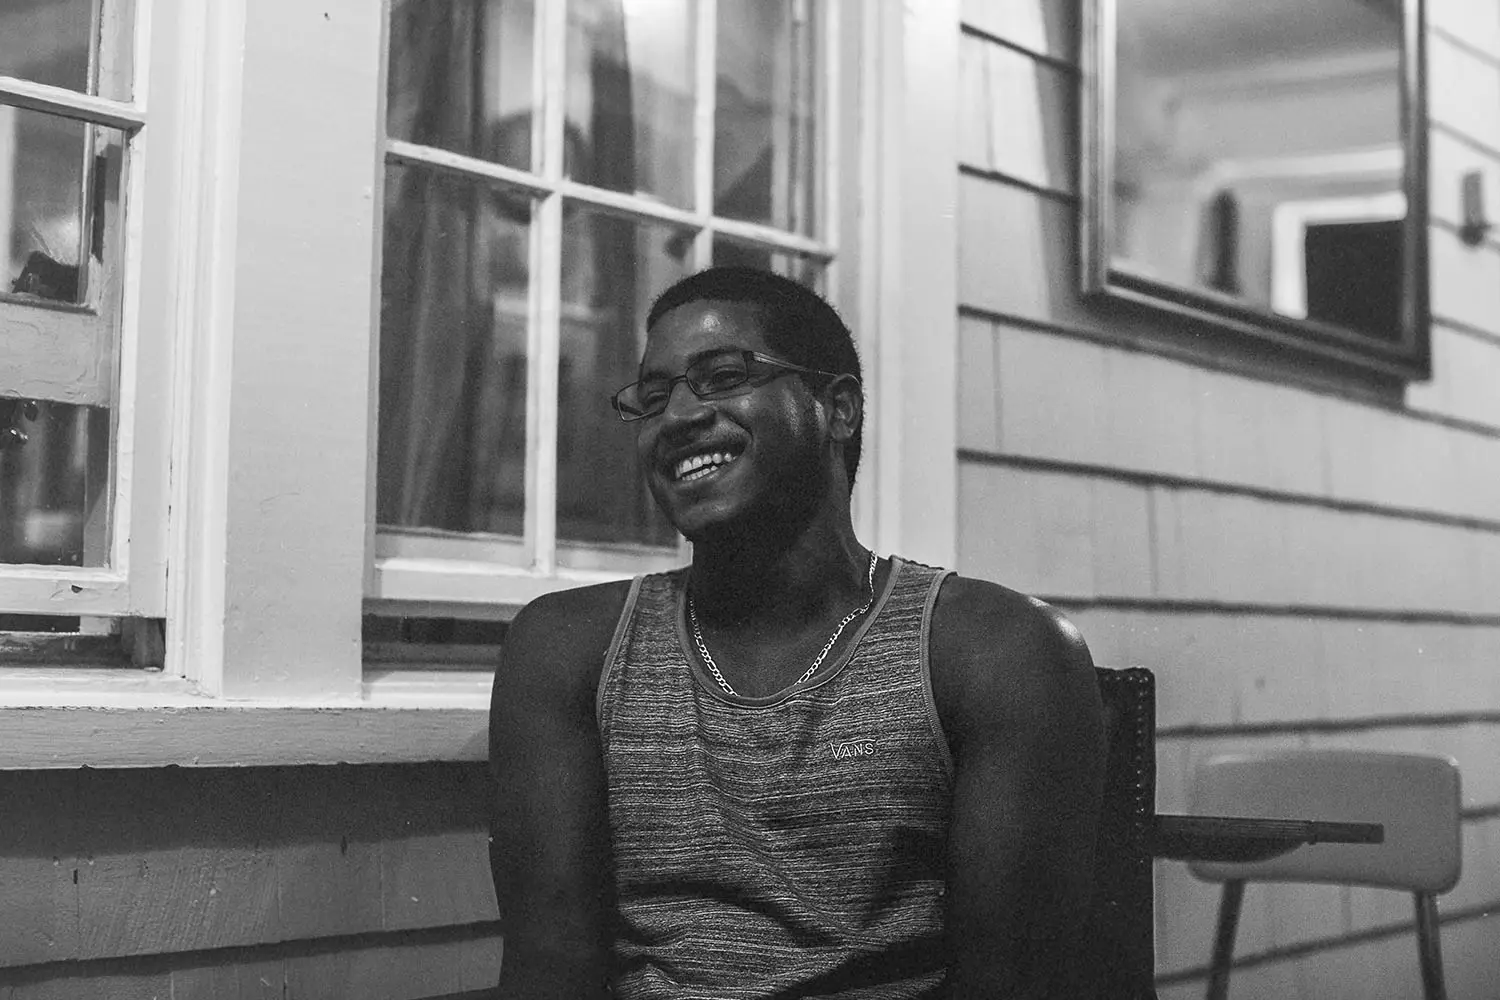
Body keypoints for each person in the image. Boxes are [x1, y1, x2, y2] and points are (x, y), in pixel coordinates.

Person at [489, 266, 1106, 999]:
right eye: (653, 397)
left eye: (723, 376)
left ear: (837, 409)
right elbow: (549, 972)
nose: (679, 416)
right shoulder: (568, 650)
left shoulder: (994, 652)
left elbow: (1014, 984)